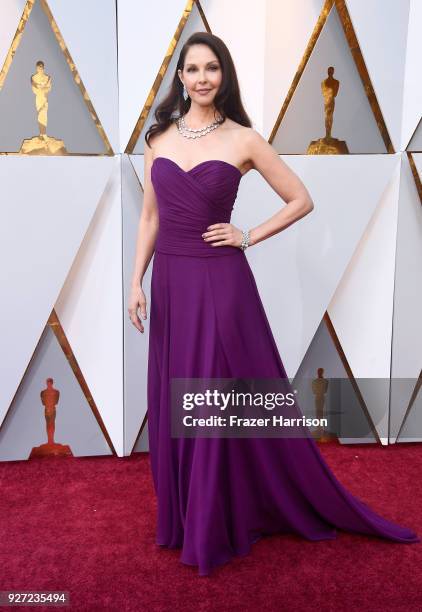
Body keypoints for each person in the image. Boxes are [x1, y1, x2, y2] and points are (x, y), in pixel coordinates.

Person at [128, 31, 419, 576]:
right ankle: (190, 515)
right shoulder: (158, 139)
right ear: (181, 77)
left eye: (212, 68)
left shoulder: (244, 139)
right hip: (170, 283)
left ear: (224, 75)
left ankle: (214, 522)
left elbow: (301, 199)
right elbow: (149, 217)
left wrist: (248, 235)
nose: (202, 78)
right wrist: (135, 282)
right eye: (192, 69)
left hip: (220, 284)